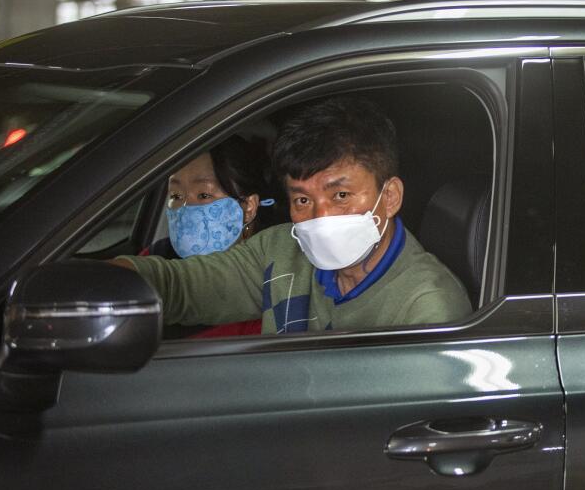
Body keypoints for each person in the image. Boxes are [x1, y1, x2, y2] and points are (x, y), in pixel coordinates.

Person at [115, 95, 471, 333]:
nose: (321, 215)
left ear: (389, 196)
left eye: (341, 195)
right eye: (302, 200)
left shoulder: (427, 307)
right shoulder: (280, 252)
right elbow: (179, 287)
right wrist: (102, 280)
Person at [148, 136, 276, 337]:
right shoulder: (156, 256)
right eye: (176, 196)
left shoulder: (269, 291)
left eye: (204, 195)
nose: (186, 209)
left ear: (248, 206)